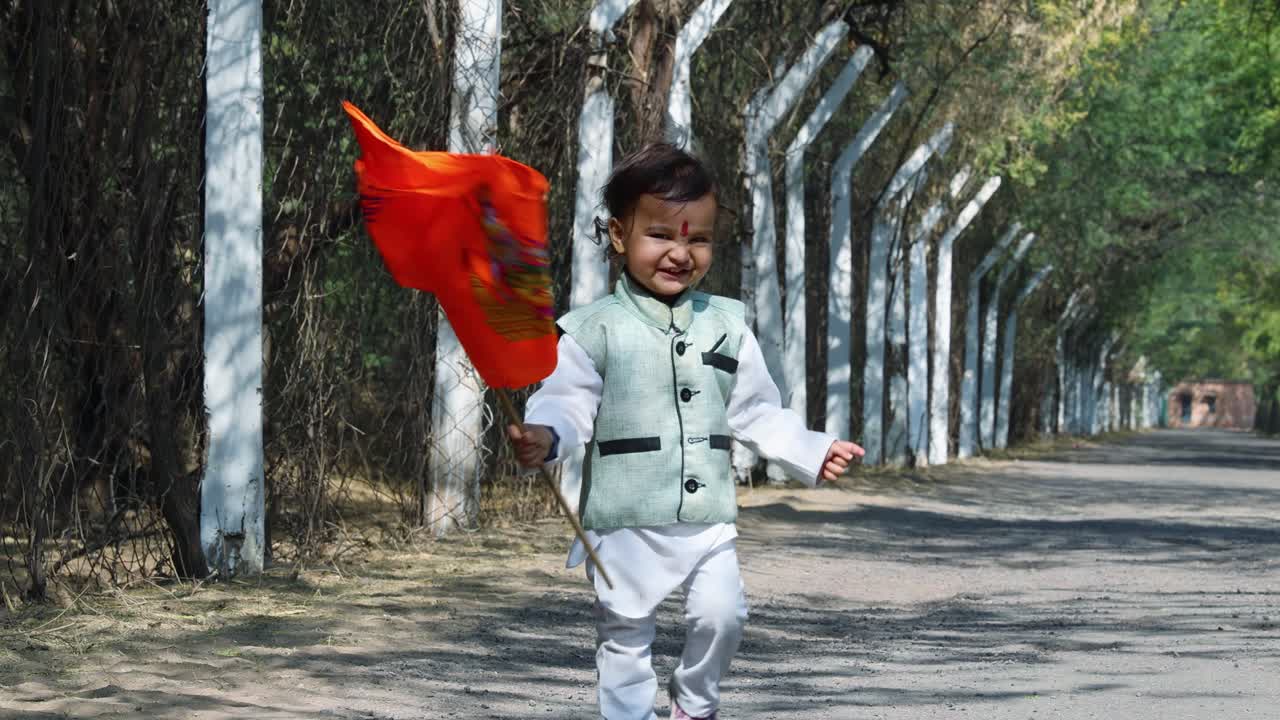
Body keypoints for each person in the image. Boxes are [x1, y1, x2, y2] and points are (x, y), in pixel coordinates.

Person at [507, 142, 863, 720]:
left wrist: (811, 449)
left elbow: (755, 409)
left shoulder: (726, 324)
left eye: (696, 238)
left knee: (723, 616)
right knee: (624, 636)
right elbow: (566, 402)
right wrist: (546, 437)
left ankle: (695, 706)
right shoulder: (591, 330)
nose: (680, 253)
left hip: (707, 522)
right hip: (623, 522)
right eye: (661, 236)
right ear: (619, 235)